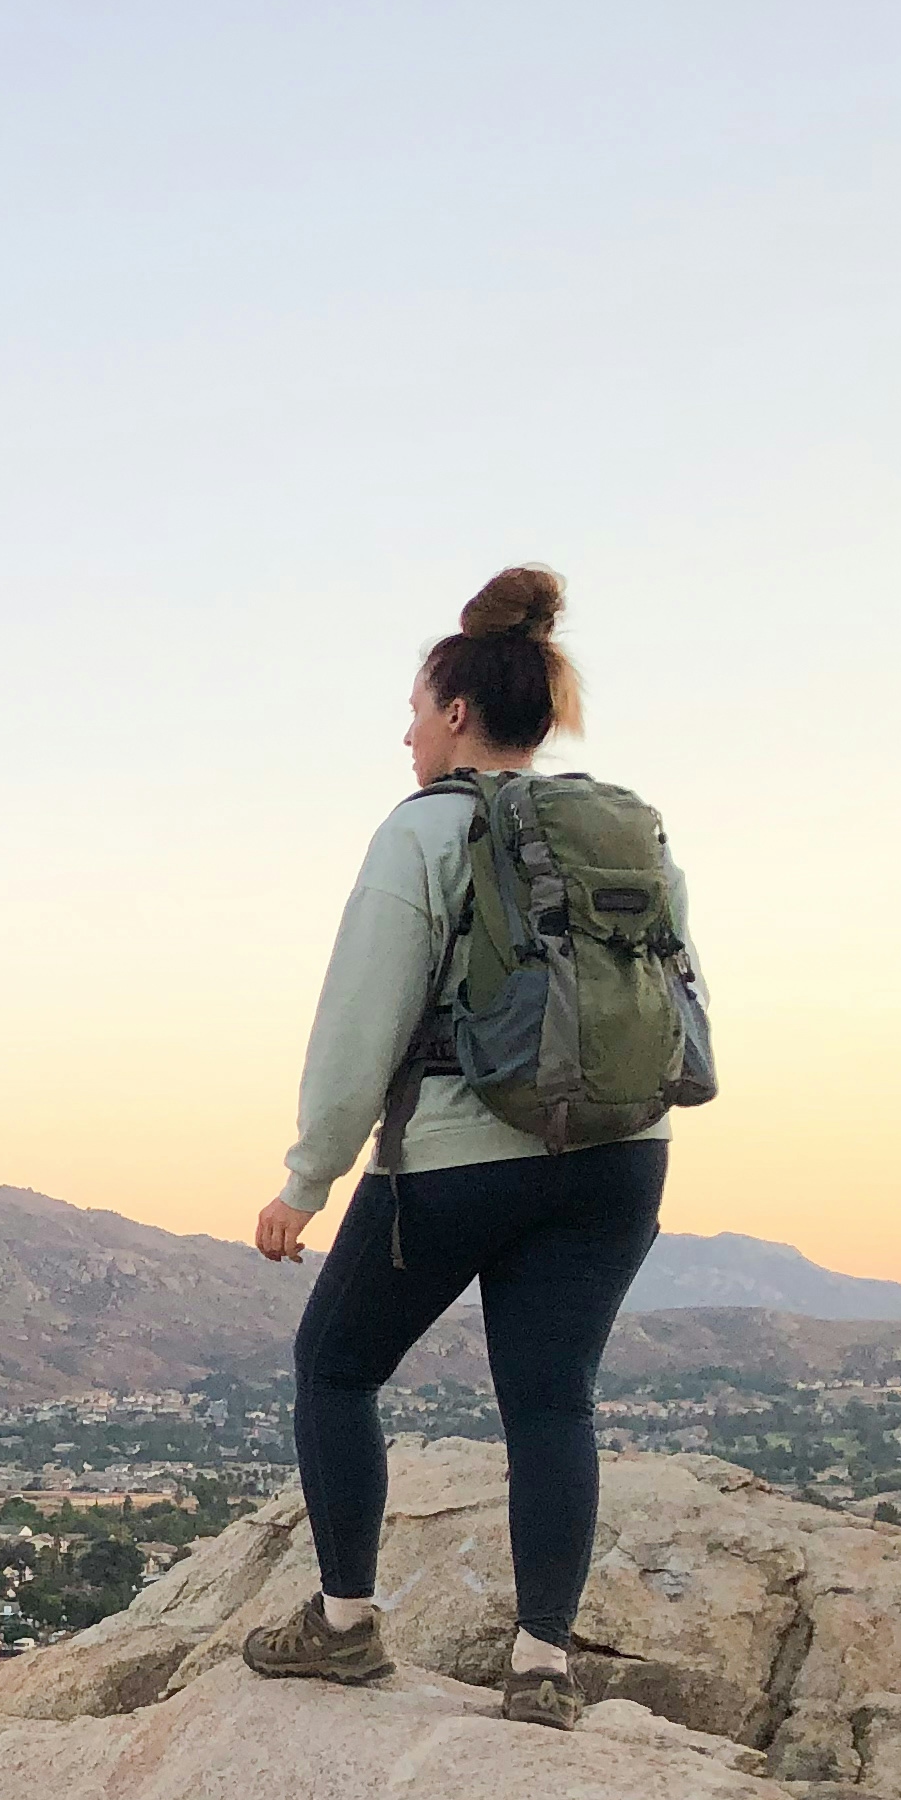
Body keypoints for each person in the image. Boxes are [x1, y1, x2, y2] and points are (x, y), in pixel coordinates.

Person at [240, 567, 678, 1730]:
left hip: (459, 1157)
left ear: (452, 714)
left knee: (334, 1368)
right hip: (623, 1156)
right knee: (551, 1405)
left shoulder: (426, 831)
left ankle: (342, 1627)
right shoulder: (616, 828)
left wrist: (305, 1181)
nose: (403, 732)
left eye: (413, 708)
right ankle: (541, 1667)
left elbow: (359, 1022)